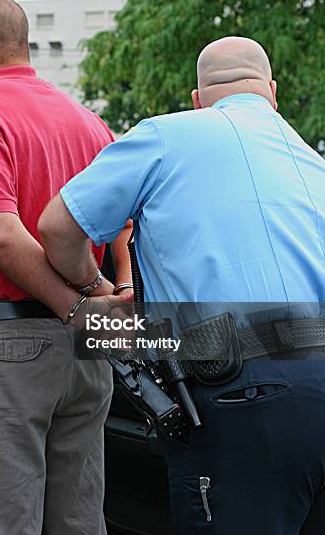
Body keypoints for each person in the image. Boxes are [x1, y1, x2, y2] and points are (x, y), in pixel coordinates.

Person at [37, 36, 325, 535]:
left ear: (197, 98)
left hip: (240, 394)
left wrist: (94, 289)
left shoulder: (167, 135)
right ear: (272, 92)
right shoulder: (314, 163)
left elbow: (56, 228)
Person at [0, 0, 132, 535]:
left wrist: (77, 309)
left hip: (5, 350)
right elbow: (122, 229)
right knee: (77, 520)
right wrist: (111, 298)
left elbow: (0, 234)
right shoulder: (89, 123)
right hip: (86, 357)